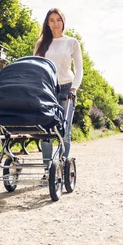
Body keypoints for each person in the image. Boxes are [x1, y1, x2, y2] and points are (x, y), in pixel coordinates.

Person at [34, 8, 83, 162]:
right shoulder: (41, 44)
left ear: (63, 22)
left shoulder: (72, 42)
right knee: (46, 130)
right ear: (47, 24)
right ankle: (48, 167)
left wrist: (74, 88)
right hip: (47, 90)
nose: (55, 24)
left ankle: (61, 165)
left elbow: (79, 69)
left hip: (67, 89)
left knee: (64, 131)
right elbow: (36, 67)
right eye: (51, 20)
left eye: (58, 20)